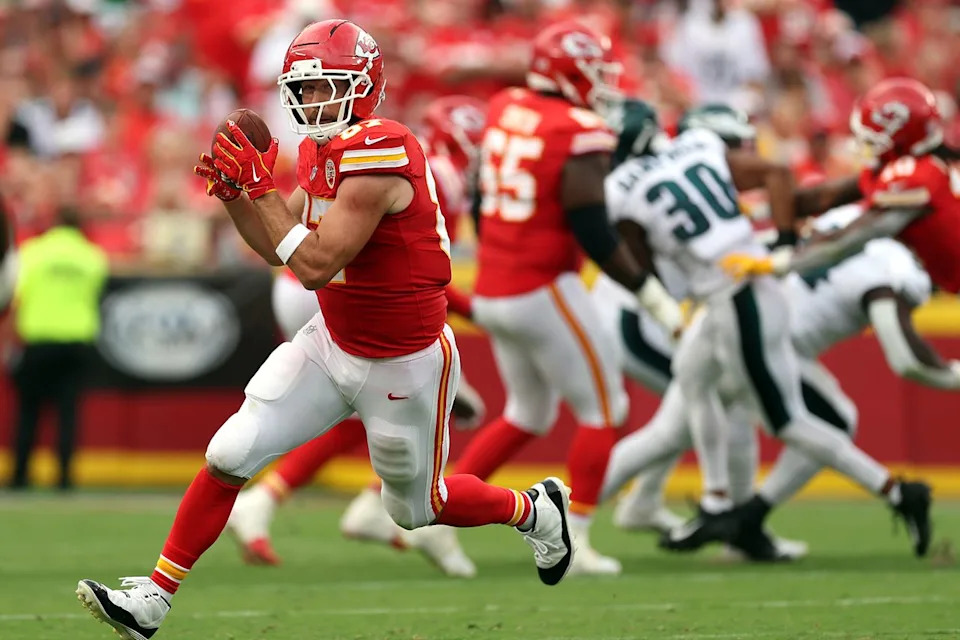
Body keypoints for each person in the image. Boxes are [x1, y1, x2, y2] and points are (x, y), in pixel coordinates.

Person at [76, 21, 575, 640]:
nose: (310, 102)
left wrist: (262, 194)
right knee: (230, 452)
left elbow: (315, 263)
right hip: (333, 339)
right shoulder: (320, 151)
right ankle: (154, 597)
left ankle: (535, 508)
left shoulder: (383, 150)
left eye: (324, 87)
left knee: (420, 508)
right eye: (303, 89)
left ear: (362, 86)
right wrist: (237, 197)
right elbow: (278, 253)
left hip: (404, 360)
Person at [598, 99, 931, 557]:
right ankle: (717, 505)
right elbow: (778, 175)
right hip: (733, 295)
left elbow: (643, 267)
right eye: (736, 143)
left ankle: (896, 491)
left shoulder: (621, 186)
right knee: (696, 389)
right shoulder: (698, 148)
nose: (740, 148)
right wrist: (786, 243)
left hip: (730, 299)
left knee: (783, 421)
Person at [438, 21, 685, 576]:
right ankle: (574, 538)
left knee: (528, 411)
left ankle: (438, 505)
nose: (601, 82)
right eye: (593, 71)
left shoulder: (504, 106)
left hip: (496, 285)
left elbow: (481, 197)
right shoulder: (578, 129)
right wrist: (656, 300)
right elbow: (595, 232)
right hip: (544, 285)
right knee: (606, 409)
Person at [225, 96, 488, 577]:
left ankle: (271, 499)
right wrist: (477, 310)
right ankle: (381, 507)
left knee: (354, 405)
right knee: (380, 396)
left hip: (305, 279)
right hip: (332, 283)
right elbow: (412, 257)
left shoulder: (355, 145)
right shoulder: (414, 164)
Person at [721, 77, 960, 295]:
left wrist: (778, 264)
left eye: (871, 139)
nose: (863, 145)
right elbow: (824, 197)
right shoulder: (911, 167)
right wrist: (762, 210)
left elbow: (847, 240)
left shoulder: (915, 178)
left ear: (901, 138)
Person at [9, 206, 108, 490]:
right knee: (68, 414)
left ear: (54, 222)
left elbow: (17, 297)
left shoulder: (32, 252)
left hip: (38, 341)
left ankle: (19, 476)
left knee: (28, 412)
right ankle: (64, 478)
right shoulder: (93, 257)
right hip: (77, 342)